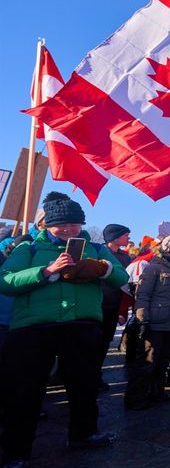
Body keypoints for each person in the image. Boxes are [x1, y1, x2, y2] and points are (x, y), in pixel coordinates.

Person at [0, 192, 129, 466]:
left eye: (75, 224)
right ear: (47, 225)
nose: (69, 229)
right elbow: (6, 281)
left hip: (81, 324)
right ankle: (16, 450)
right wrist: (46, 271)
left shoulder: (95, 248)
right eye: (62, 225)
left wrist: (104, 269)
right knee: (26, 390)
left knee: (84, 384)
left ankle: (83, 433)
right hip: (34, 327)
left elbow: (121, 276)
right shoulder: (28, 248)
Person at [124, 235, 170, 410]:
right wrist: (142, 320)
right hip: (155, 323)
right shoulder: (153, 268)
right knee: (147, 362)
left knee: (164, 361)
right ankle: (135, 398)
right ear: (165, 247)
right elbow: (142, 296)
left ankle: (157, 392)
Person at [98, 223, 133, 391]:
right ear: (115, 237)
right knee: (92, 343)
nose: (128, 238)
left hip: (114, 304)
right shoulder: (98, 253)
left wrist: (122, 309)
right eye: (125, 235)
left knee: (105, 341)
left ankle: (96, 376)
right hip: (97, 303)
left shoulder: (126, 257)